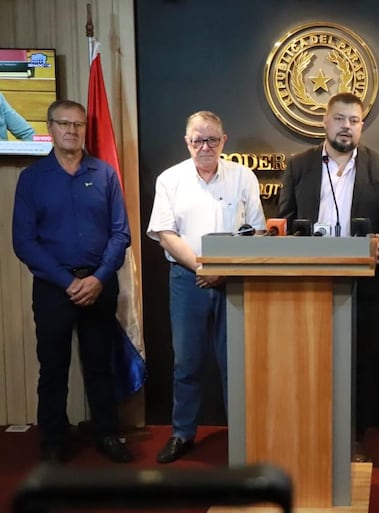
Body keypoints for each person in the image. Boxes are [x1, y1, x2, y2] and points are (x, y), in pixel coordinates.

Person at [278, 92, 379, 462]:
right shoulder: (299, 165)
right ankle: (309, 433)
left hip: (361, 283)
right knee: (309, 362)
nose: (345, 127)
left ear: (362, 125)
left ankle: (354, 438)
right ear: (325, 121)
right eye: (339, 119)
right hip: (308, 281)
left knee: (358, 363)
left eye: (353, 120)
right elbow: (284, 221)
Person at [12, 99, 134, 463]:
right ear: (50, 128)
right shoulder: (32, 179)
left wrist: (98, 278)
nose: (72, 130)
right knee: (53, 367)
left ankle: (106, 432)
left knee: (99, 364)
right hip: (54, 289)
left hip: (100, 285)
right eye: (64, 123)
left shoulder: (105, 174)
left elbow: (121, 233)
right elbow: (24, 242)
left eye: (78, 124)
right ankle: (54, 439)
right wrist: (67, 282)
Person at [147, 111, 266, 463]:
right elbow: (166, 234)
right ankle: (182, 433)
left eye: (212, 139)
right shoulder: (170, 179)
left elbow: (257, 231)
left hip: (234, 280)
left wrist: (224, 271)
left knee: (236, 364)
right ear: (187, 142)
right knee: (187, 362)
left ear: (223, 141)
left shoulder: (243, 176)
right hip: (188, 280)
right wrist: (203, 268)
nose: (205, 147)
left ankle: (242, 439)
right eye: (198, 140)